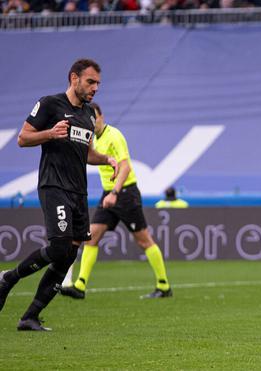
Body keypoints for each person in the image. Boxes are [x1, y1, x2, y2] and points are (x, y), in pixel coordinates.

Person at [0, 58, 117, 331]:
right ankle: (8, 278)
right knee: (58, 247)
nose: (95, 88)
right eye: (90, 81)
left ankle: (30, 316)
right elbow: (23, 138)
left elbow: (87, 154)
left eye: (98, 83)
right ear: (74, 78)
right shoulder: (50, 104)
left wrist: (107, 159)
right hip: (54, 186)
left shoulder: (88, 115)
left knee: (68, 255)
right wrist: (50, 133)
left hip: (78, 192)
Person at [59, 102, 172, 300]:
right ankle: (80, 285)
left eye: (95, 118)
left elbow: (125, 167)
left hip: (125, 193)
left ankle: (164, 286)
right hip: (109, 193)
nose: (92, 122)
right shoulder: (92, 139)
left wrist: (115, 193)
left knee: (143, 240)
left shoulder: (115, 136)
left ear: (102, 116)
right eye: (89, 119)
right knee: (92, 236)